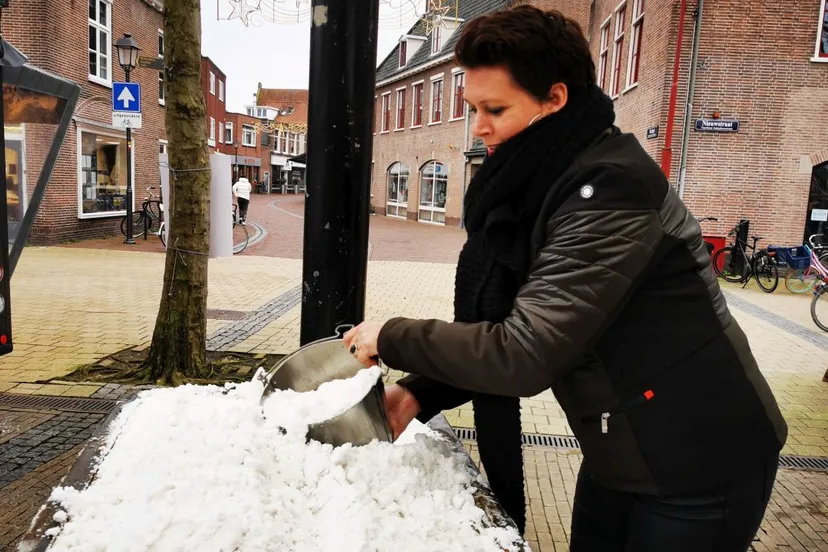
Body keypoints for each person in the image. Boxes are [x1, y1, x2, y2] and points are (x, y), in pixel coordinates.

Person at [343, 6, 787, 551]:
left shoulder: (608, 193)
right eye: (471, 108)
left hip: (700, 460)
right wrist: (417, 392)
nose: (478, 129)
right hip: (623, 448)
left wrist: (392, 336)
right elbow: (515, 319)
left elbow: (525, 351)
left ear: (555, 99)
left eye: (496, 109)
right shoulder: (543, 182)